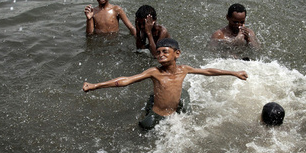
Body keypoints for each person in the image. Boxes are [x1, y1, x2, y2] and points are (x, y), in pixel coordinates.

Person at [83, 38, 248, 129]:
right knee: (144, 128)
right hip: (158, 115)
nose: (160, 55)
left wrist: (234, 73)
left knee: (185, 109)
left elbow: (209, 71)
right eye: (158, 53)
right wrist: (96, 85)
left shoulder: (183, 69)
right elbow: (125, 81)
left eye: (164, 52)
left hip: (173, 110)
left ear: (177, 53)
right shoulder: (154, 72)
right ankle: (149, 107)